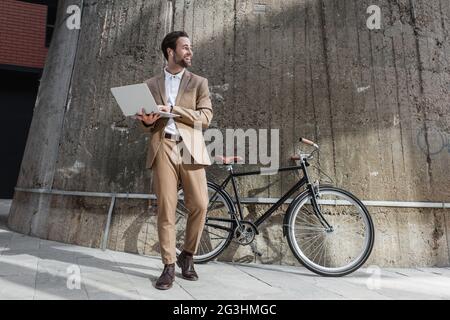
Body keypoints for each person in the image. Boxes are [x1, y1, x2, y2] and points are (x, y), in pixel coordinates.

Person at [135, 31, 213, 290]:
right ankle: (168, 265)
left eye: (190, 48)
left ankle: (187, 256)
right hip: (163, 147)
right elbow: (147, 124)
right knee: (166, 208)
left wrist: (174, 110)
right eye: (185, 47)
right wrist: (147, 122)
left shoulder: (199, 82)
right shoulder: (150, 84)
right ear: (171, 51)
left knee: (200, 204)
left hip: (190, 147)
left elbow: (205, 117)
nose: (190, 52)